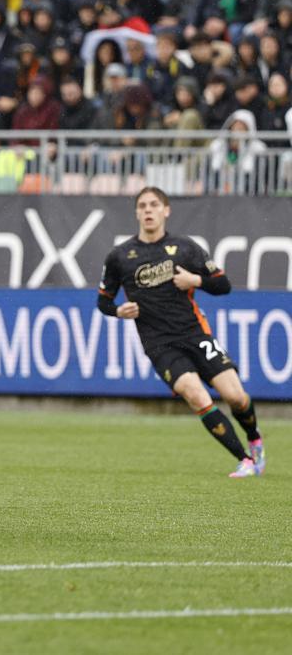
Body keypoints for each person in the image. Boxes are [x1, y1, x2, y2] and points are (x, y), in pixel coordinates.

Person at [96, 186, 265, 478]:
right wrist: (118, 311)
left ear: (166, 210)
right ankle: (246, 460)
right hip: (160, 345)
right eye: (143, 206)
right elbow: (103, 301)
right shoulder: (120, 256)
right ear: (136, 213)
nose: (148, 210)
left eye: (154, 205)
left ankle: (255, 438)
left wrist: (195, 279)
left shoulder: (186, 248)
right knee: (197, 396)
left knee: (236, 397)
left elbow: (223, 286)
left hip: (196, 335)